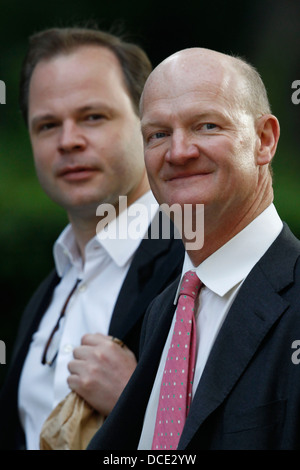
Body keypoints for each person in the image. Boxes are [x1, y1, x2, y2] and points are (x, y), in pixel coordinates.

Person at [87, 47, 300, 450]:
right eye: (159, 134)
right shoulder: (164, 309)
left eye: (206, 126)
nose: (178, 152)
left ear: (264, 140)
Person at [0, 27, 185, 450]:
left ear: (149, 123)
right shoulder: (53, 286)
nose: (68, 141)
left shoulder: (196, 266)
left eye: (93, 117)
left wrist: (137, 403)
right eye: (47, 125)